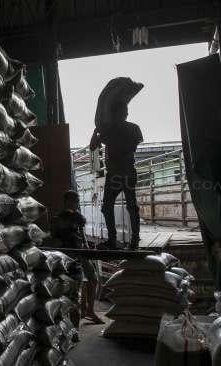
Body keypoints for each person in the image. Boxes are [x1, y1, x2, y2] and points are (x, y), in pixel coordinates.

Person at [89, 102, 143, 250]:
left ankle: (129, 240)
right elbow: (93, 146)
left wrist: (103, 134)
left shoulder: (119, 129)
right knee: (121, 207)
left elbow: (131, 147)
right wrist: (96, 130)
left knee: (126, 207)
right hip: (121, 173)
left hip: (120, 174)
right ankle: (124, 240)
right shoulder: (117, 129)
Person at [52, 190, 104, 324]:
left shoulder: (78, 217)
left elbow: (82, 233)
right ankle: (73, 312)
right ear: (66, 202)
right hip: (67, 255)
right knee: (73, 285)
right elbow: (56, 238)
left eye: (77, 201)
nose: (76, 204)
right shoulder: (60, 218)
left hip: (80, 252)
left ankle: (90, 311)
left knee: (92, 278)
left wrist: (86, 246)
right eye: (73, 201)